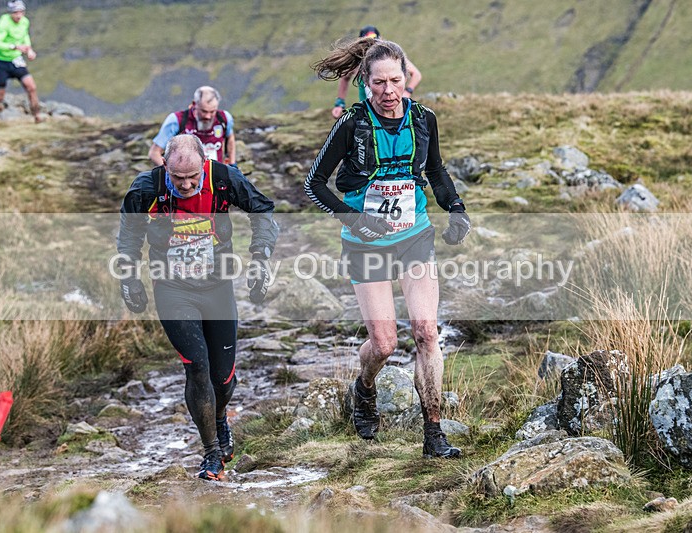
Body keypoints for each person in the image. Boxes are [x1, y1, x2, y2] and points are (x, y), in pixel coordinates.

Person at [305, 38, 470, 458]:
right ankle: (364, 387)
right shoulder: (352, 124)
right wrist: (357, 220)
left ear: (406, 78)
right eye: (379, 83)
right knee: (383, 344)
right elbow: (314, 184)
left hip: (414, 235)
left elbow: (435, 170)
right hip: (366, 243)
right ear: (365, 82)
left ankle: (433, 434)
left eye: (396, 80)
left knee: (426, 331)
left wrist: (456, 208)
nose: (389, 91)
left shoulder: (424, 119)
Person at [117, 134, 278, 480]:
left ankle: (219, 419)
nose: (187, 185)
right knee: (198, 367)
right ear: (165, 166)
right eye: (178, 179)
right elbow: (129, 236)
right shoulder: (147, 189)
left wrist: (260, 258)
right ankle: (211, 453)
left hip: (217, 286)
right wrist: (128, 278)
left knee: (223, 376)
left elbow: (262, 211)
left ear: (204, 164)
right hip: (172, 288)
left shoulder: (223, 179)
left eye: (193, 177)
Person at [330, 26, 422, 119]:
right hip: (367, 112)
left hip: (394, 110)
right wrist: (339, 103)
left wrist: (407, 92)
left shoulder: (392, 57)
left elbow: (416, 75)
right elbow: (345, 78)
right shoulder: (357, 64)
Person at [0, 0, 41, 125]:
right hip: (0, 62)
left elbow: (25, 37)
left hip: (15, 60)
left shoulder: (25, 22)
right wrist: (15, 47)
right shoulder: (4, 22)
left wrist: (29, 50)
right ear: (11, 13)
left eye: (21, 12)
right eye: (15, 12)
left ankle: (37, 117)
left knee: (31, 87)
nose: (18, 15)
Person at [149, 86, 237, 167]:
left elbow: (230, 138)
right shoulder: (176, 120)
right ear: (194, 103)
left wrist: (232, 164)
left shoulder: (225, 118)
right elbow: (154, 153)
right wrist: (172, 173)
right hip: (186, 178)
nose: (208, 116)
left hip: (215, 177)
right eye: (204, 111)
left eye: (212, 111)